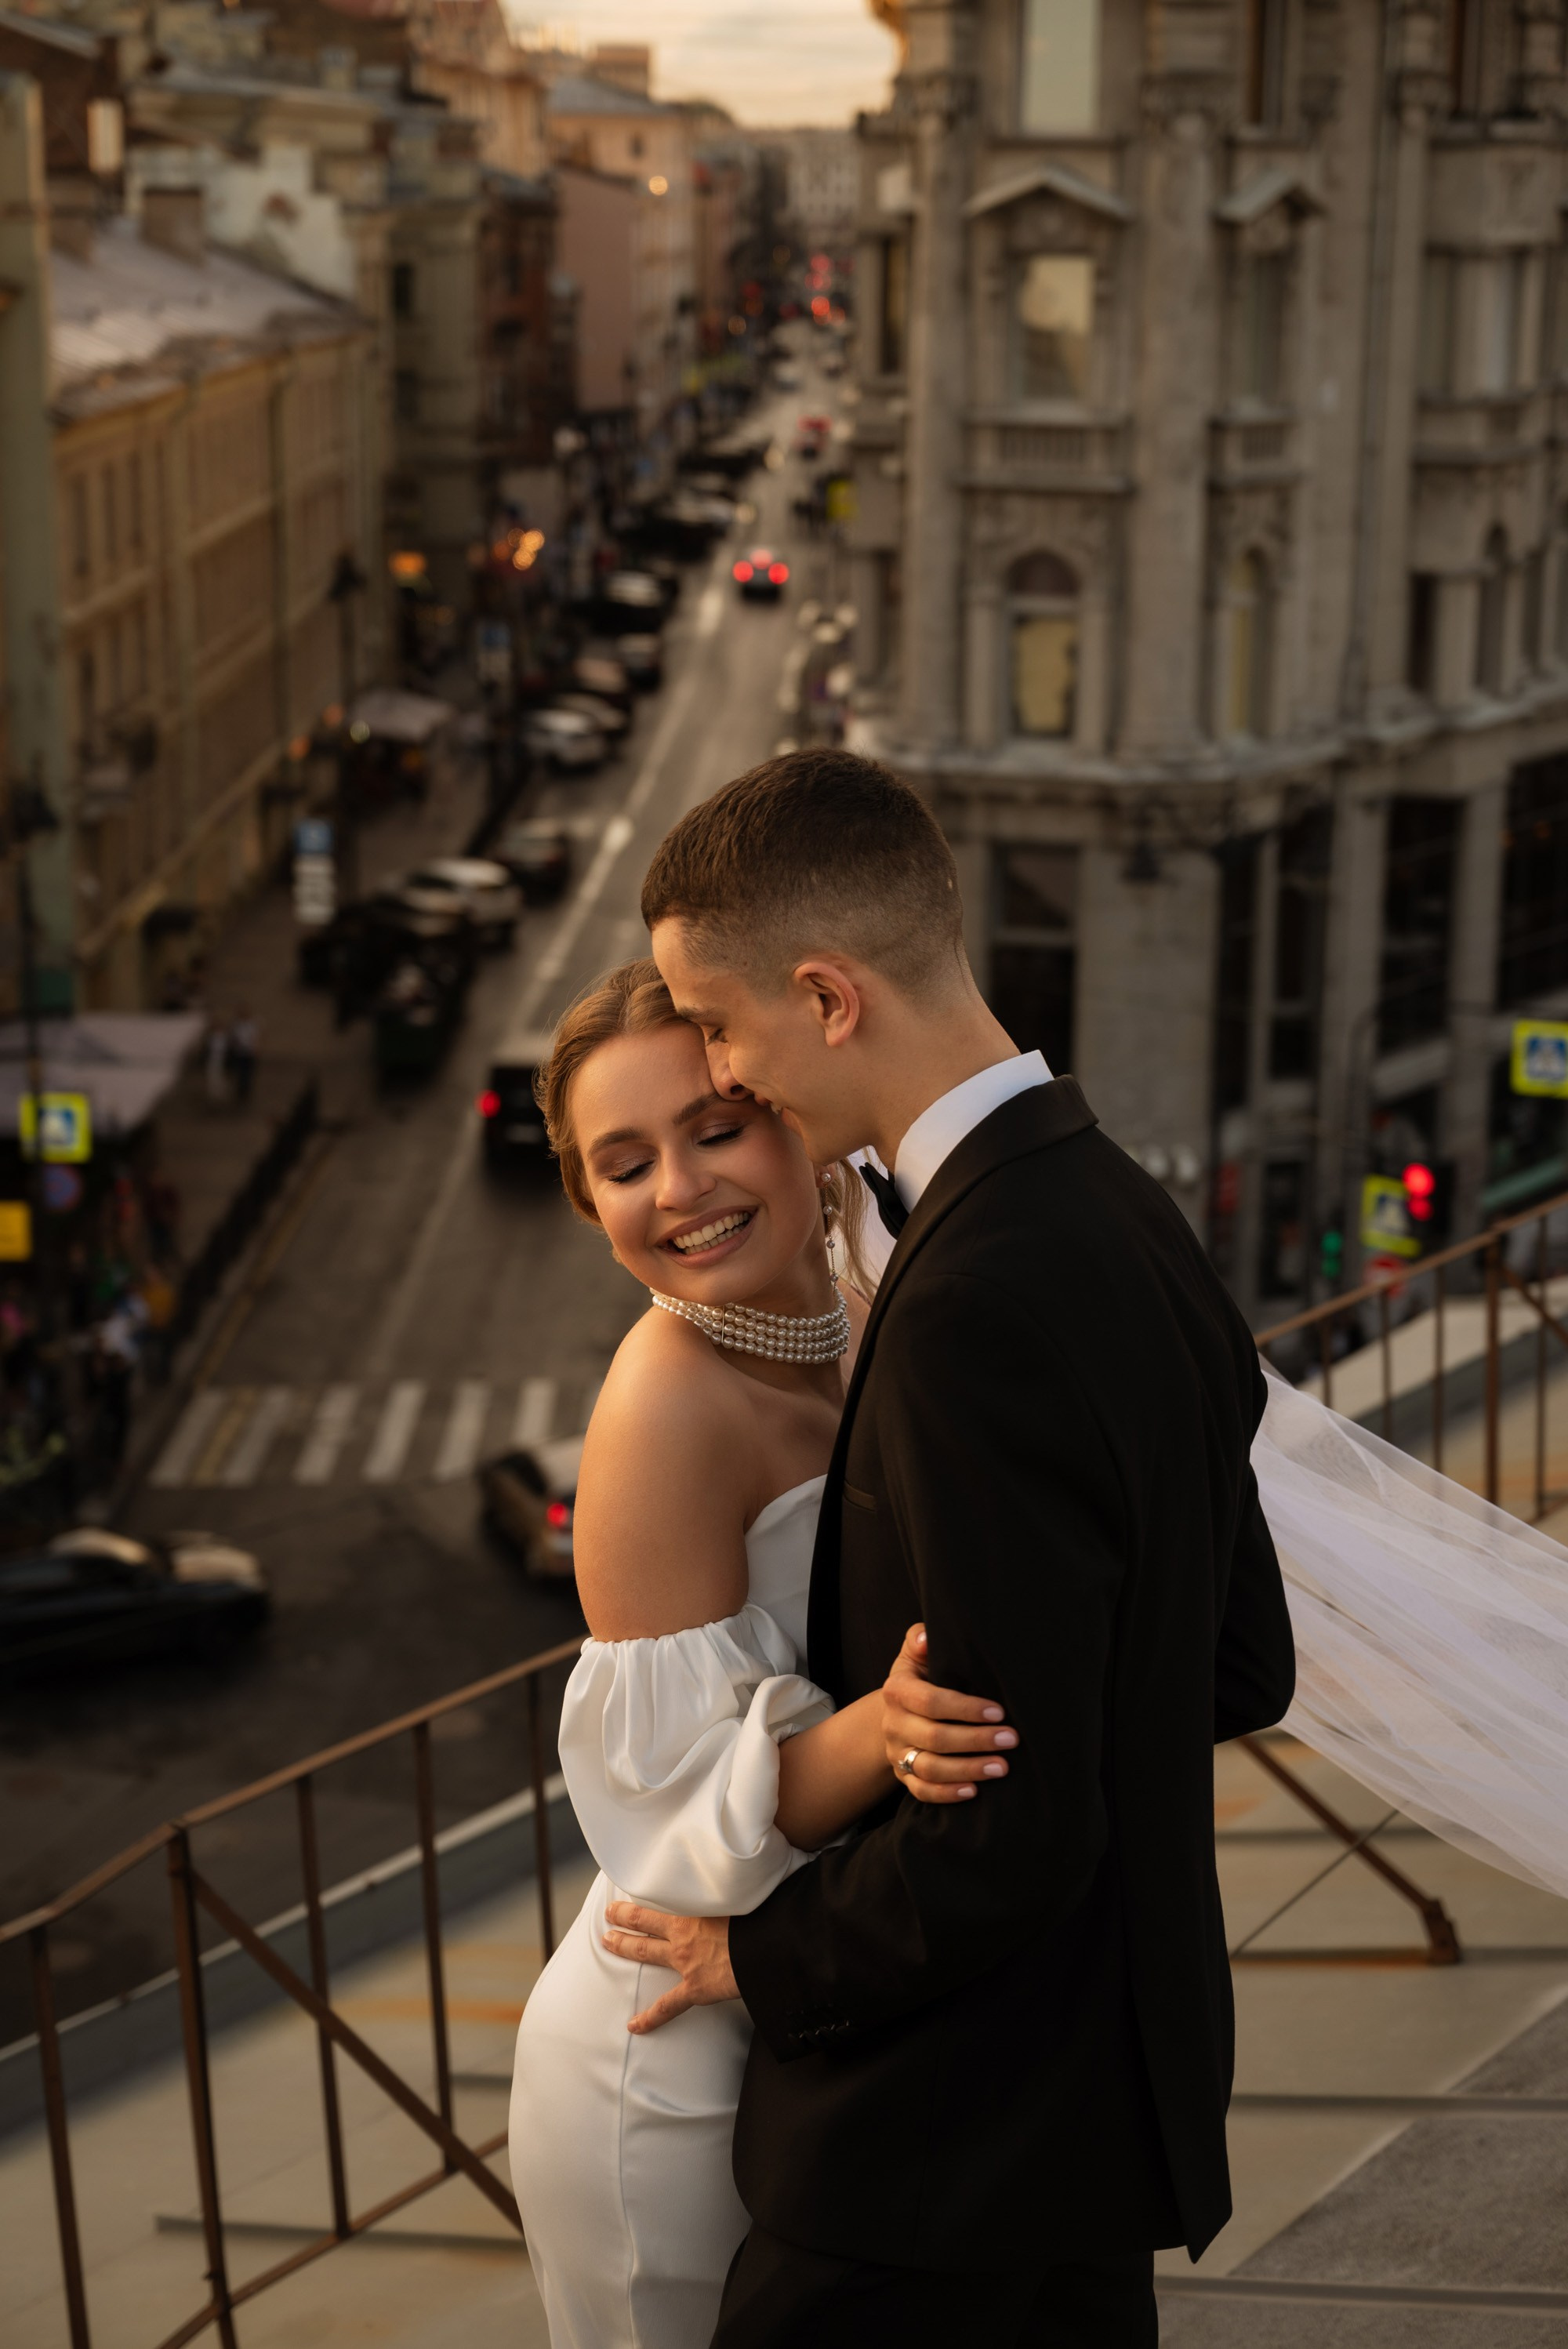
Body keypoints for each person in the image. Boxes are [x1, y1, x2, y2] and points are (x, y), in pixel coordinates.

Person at [596, 746, 1296, 2346]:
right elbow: (1239, 1657)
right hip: (1098, 2110)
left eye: (719, 1018)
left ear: (827, 997)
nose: (719, 1063)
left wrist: (753, 1959)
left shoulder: (973, 1295)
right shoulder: (1122, 1207)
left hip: (936, 2141)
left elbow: (1012, 1828)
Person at [508, 961, 1015, 2349]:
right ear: (589, 1205)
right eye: (623, 1166)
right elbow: (685, 1820)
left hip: (817, 2008)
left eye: (714, 1127)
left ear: (794, 1118)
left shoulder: (864, 1307)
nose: (677, 1188)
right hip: (671, 2053)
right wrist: (892, 1726)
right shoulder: (665, 1408)